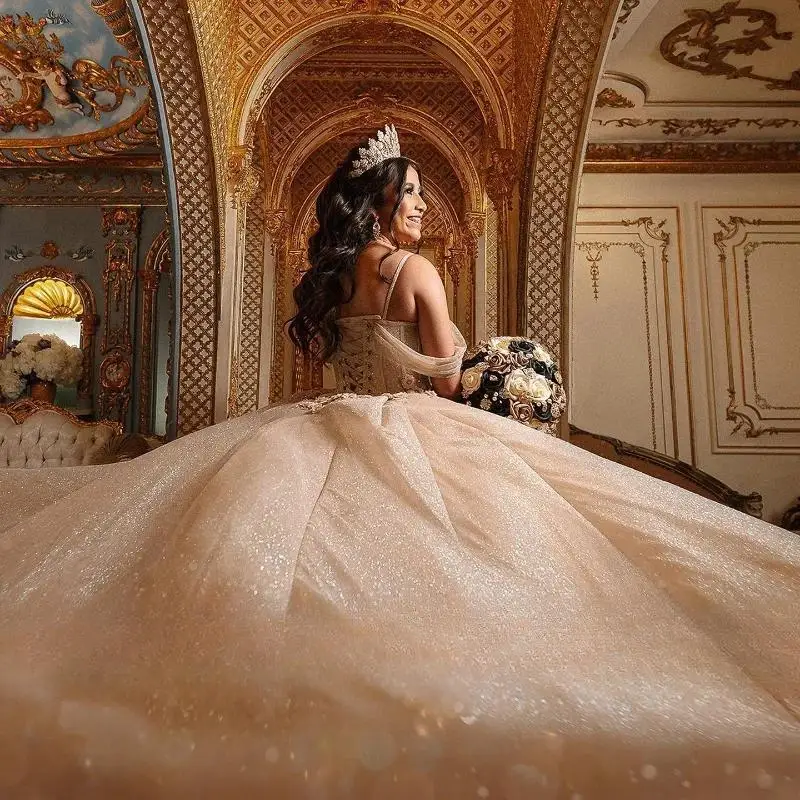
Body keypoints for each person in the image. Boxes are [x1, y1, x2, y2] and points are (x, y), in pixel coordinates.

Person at [0, 125, 798, 799]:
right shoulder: (415, 270)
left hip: (328, 420)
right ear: (380, 198)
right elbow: (448, 376)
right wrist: (498, 369)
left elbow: (341, 367)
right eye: (411, 193)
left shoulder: (329, 275)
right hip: (419, 422)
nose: (421, 205)